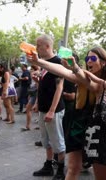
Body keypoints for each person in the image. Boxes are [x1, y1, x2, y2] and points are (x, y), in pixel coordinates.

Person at [28, 46, 106, 180]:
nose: (89, 61)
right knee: (72, 168)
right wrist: (39, 62)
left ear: (103, 62)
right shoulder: (82, 75)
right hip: (79, 123)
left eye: (93, 58)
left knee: (100, 171)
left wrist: (75, 68)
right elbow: (61, 71)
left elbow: (94, 86)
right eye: (87, 58)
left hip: (98, 126)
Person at [29, 35, 66, 180]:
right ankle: (48, 165)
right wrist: (38, 102)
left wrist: (51, 110)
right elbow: (44, 86)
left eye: (38, 45)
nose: (36, 48)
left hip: (54, 110)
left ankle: (61, 170)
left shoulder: (58, 62)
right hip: (44, 108)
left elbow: (59, 87)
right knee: (46, 140)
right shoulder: (44, 63)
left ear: (47, 47)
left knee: (57, 141)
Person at [21, 65, 40, 131]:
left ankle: (28, 126)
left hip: (35, 95)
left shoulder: (36, 76)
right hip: (33, 94)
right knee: (38, 110)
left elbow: (38, 89)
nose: (30, 71)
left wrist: (36, 102)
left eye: (31, 69)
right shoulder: (34, 78)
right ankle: (39, 125)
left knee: (28, 108)